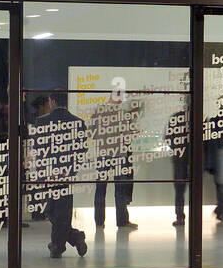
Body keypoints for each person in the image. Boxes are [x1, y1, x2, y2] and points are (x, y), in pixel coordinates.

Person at [29, 92, 88, 258]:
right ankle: (74, 237)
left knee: (50, 211)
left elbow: (38, 150)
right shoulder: (78, 123)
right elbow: (81, 150)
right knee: (61, 211)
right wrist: (70, 170)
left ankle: (58, 245)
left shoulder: (40, 123)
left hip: (47, 175)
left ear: (52, 101)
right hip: (66, 176)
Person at [89, 91, 144, 230]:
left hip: (102, 154)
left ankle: (99, 222)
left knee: (100, 189)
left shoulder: (98, 111)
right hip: (119, 155)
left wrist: (103, 139)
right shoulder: (121, 114)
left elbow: (91, 133)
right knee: (120, 189)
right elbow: (126, 136)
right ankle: (122, 221)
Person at [168, 103, 189, 227]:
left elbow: (169, 138)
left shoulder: (175, 118)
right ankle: (191, 215)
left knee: (179, 191)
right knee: (195, 190)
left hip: (180, 160)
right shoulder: (200, 118)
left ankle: (180, 216)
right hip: (192, 159)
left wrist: (178, 151)